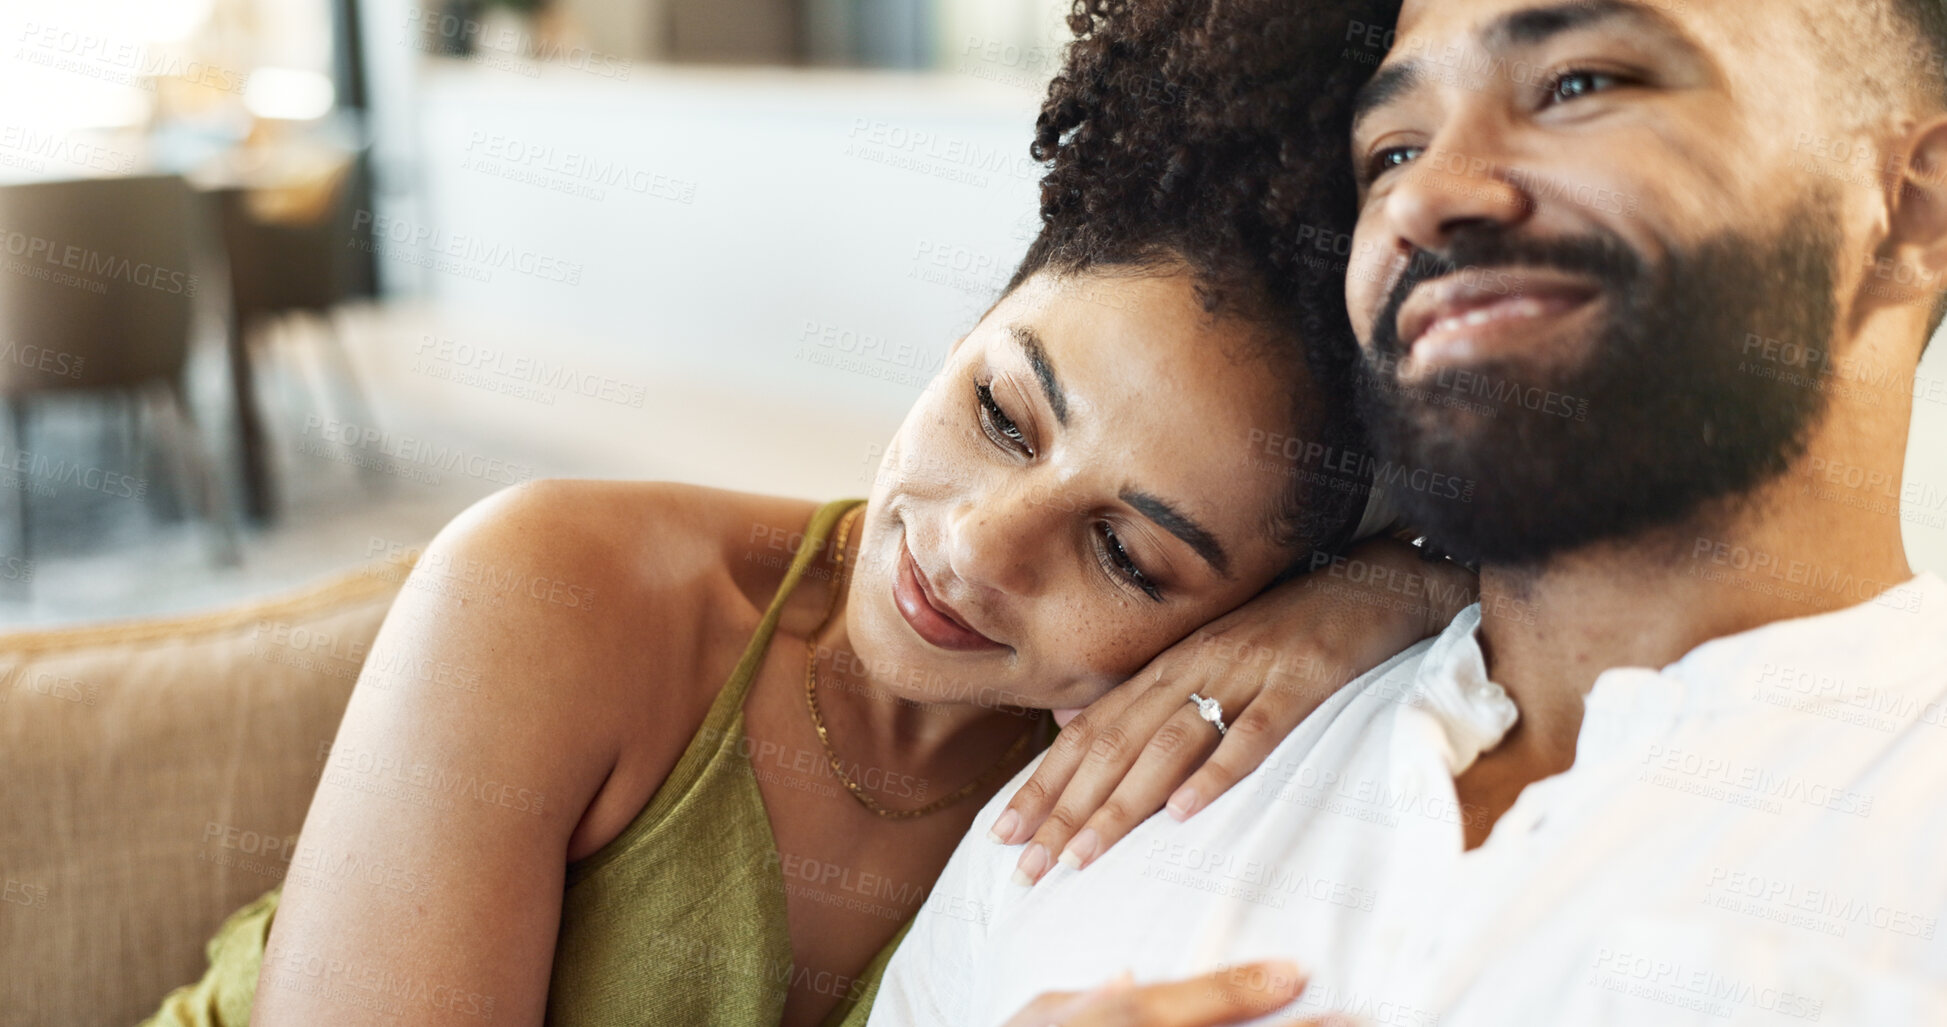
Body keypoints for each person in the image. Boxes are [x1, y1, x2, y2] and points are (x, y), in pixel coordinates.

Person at [140, 1, 1472, 1023]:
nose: (971, 543)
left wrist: (1395, 584)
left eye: (1123, 552)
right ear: (971, 318)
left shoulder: (1145, 770)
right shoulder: (552, 585)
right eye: (1001, 410)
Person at [873, 0, 1947, 1023]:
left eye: (1577, 83)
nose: (1427, 196)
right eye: (1390, 151)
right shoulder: (1086, 811)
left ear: (1911, 206)